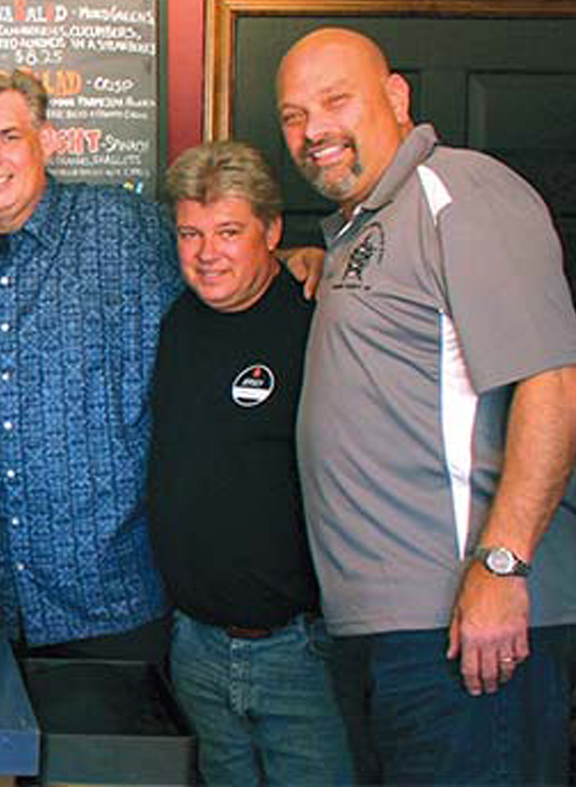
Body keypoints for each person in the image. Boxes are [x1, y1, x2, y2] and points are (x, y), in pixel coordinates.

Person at [276, 26, 576, 783]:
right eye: (294, 114)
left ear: (396, 96)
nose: (313, 129)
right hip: (401, 628)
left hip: (469, 625)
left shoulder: (461, 191)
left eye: (335, 100)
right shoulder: (369, 224)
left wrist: (500, 566)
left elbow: (559, 377)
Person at [0, 69, 184, 658]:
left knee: (108, 753)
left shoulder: (127, 232)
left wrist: (299, 265)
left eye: (8, 136)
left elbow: (220, 277)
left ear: (47, 138)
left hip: (108, 596)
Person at [146, 140, 352, 785]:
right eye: (190, 233)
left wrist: (319, 261)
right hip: (196, 647)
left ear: (272, 230)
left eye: (229, 231)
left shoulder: (319, 317)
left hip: (300, 651)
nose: (207, 253)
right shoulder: (176, 322)